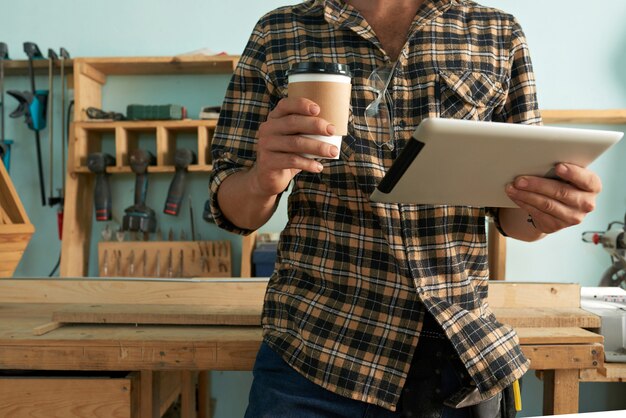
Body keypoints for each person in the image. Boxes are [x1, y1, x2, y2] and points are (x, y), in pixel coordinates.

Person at [208, 0, 602, 416]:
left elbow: (517, 215)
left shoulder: (498, 32)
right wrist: (261, 179)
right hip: (315, 352)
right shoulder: (280, 30)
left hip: (458, 354)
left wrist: (545, 212)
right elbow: (234, 211)